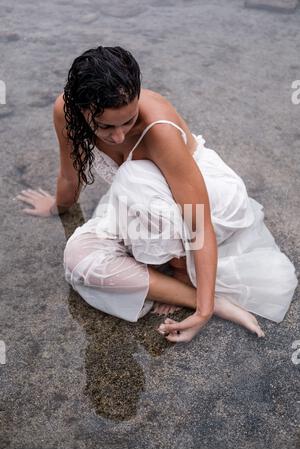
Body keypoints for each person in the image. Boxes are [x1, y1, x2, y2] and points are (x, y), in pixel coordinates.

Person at [16, 45, 298, 343]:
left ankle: (182, 274)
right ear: (81, 109)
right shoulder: (65, 110)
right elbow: (69, 174)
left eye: (128, 120)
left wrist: (202, 313)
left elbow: (197, 222)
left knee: (132, 176)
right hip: (143, 201)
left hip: (204, 200)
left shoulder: (159, 130)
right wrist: (56, 206)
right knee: (79, 259)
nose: (120, 136)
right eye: (105, 126)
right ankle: (211, 301)